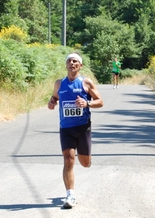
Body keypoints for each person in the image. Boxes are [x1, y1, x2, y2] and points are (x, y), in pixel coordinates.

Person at [48, 52, 104, 209]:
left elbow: (100, 102)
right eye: (69, 61)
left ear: (80, 66)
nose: (71, 63)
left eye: (75, 61)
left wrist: (87, 103)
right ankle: (70, 195)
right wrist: (52, 102)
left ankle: (85, 155)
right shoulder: (59, 83)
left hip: (83, 127)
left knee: (85, 163)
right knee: (68, 159)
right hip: (66, 128)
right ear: (66, 65)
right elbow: (55, 97)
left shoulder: (86, 82)